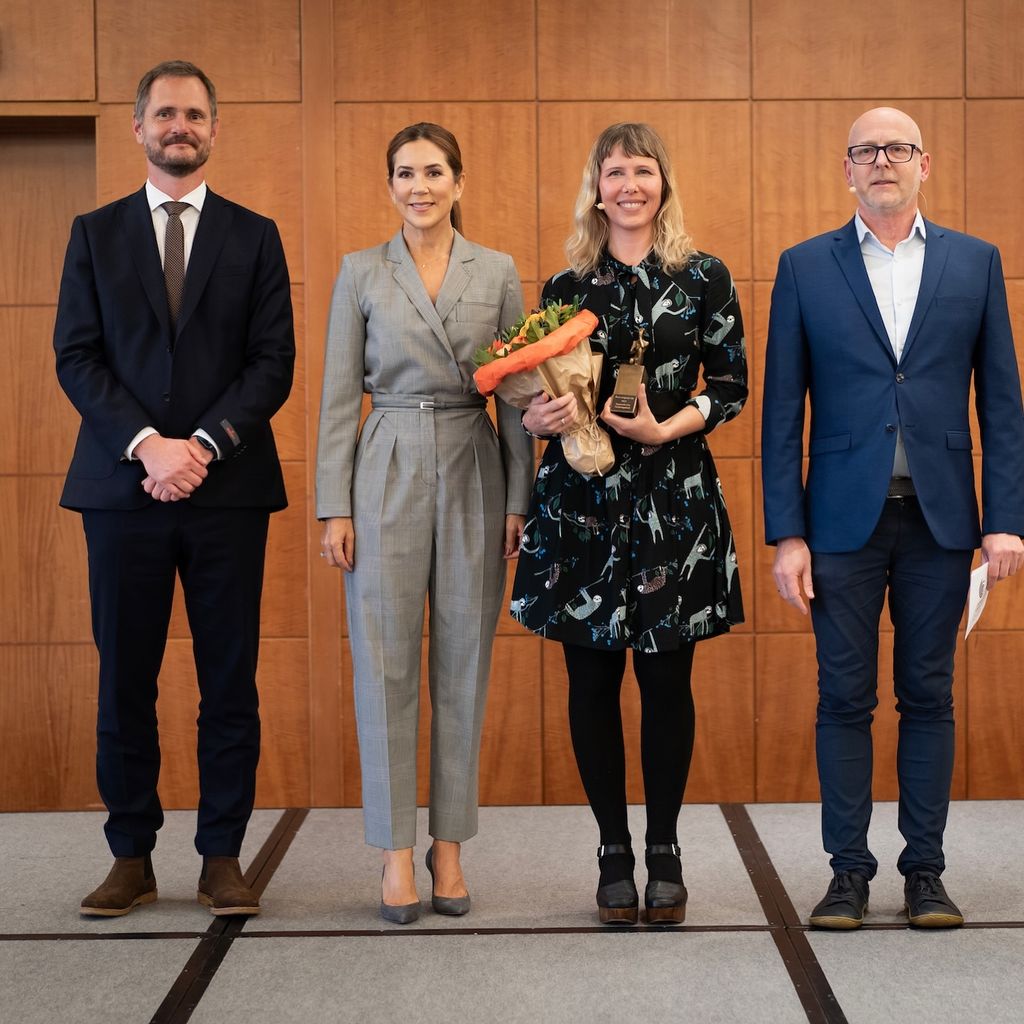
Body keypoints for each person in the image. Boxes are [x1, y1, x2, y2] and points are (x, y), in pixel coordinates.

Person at [762, 106, 1024, 930]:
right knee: (843, 699)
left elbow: (1004, 404)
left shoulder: (976, 264)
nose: (883, 161)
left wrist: (1005, 519)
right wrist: (787, 532)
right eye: (867, 150)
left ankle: (925, 873)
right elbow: (781, 413)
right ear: (846, 169)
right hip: (840, 522)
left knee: (928, 697)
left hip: (943, 523)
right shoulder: (805, 267)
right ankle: (847, 875)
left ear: (925, 165)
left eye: (898, 149)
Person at [54, 61, 295, 917]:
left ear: (215, 129)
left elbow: (274, 363)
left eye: (195, 113)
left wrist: (198, 445)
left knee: (230, 681)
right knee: (126, 680)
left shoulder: (255, 235)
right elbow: (76, 356)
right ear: (139, 127)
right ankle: (131, 855)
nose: (179, 125)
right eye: (165, 113)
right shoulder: (94, 232)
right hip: (121, 493)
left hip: (227, 492)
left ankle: (222, 854)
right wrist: (148, 446)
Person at [512, 122, 747, 926]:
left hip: (674, 498)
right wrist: (537, 414)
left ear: (663, 182)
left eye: (643, 171)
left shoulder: (704, 276)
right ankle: (612, 848)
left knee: (667, 679)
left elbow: (734, 385)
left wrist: (666, 428)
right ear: (597, 187)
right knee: (589, 680)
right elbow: (531, 393)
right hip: (580, 508)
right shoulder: (564, 286)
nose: (629, 186)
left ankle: (665, 848)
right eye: (615, 173)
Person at [316, 123, 534, 924]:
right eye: (405, 173)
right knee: (384, 663)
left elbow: (516, 391)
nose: (420, 186)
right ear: (390, 187)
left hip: (472, 456)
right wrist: (333, 505)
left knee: (463, 661)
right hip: (386, 462)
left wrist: (521, 500)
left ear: (458, 182)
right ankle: (395, 854)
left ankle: (449, 846)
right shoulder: (361, 272)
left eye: (434, 171)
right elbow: (341, 397)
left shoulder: (500, 271)